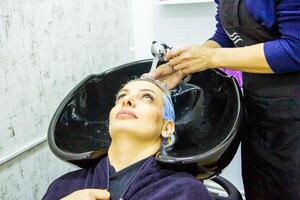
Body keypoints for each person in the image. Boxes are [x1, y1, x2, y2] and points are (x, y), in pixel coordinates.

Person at [146, 0, 300, 199]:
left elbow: (295, 49)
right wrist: (186, 64)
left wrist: (211, 58)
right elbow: (226, 35)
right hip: (260, 106)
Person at [42, 77, 213, 200]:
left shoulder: (184, 191)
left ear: (167, 127)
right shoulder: (63, 187)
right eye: (121, 96)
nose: (127, 100)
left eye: (147, 97)